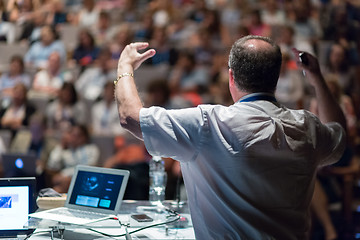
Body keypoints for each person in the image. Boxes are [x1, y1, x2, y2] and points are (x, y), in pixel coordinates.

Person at [114, 36, 346, 239]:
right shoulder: (307, 126)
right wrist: (316, 77)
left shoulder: (208, 123)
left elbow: (130, 118)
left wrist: (124, 66)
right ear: (275, 77)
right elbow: (338, 133)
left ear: (231, 77)